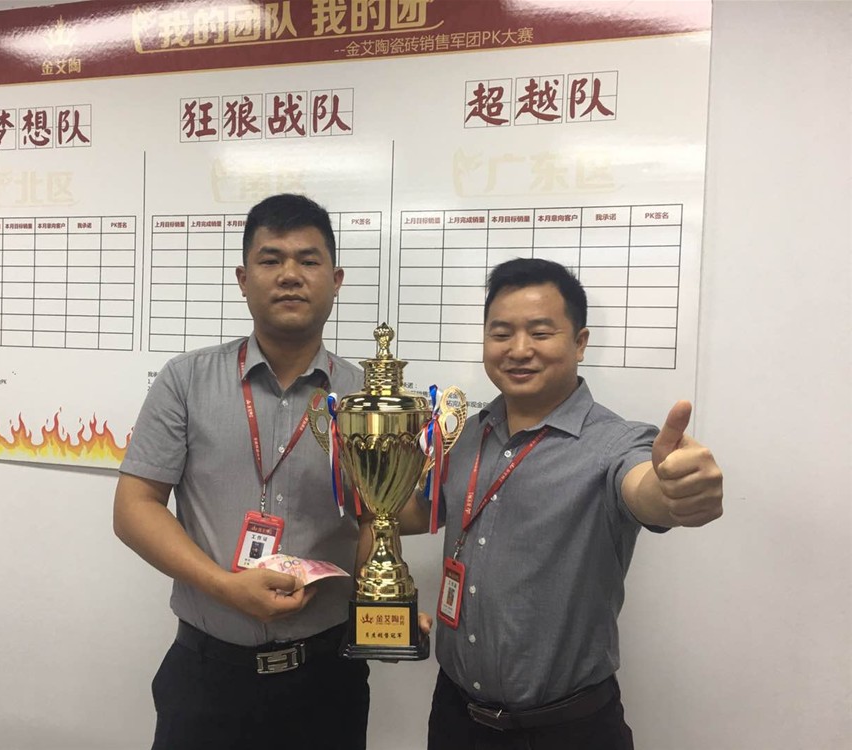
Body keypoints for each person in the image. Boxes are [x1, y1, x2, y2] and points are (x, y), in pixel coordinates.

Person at [399, 257, 724, 750]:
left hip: (569, 730)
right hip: (455, 718)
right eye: (501, 333)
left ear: (580, 342)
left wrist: (674, 492)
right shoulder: (462, 438)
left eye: (540, 332)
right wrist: (362, 473)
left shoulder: (616, 443)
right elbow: (411, 514)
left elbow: (645, 489)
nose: (519, 350)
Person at [114, 194, 370, 750]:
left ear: (336, 280)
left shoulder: (368, 399)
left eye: (308, 260)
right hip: (206, 678)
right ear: (243, 279)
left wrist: (388, 603)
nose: (290, 275)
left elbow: (385, 516)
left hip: (327, 681)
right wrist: (225, 588)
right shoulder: (185, 381)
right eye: (270, 259)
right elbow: (134, 508)